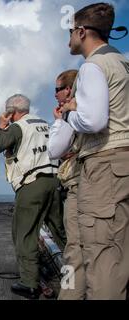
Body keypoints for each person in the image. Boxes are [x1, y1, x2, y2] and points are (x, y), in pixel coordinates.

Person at [62, 2, 129, 299]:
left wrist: (70, 112)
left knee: (98, 253)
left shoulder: (92, 66)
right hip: (121, 163)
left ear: (82, 31)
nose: (69, 39)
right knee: (118, 252)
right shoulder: (121, 61)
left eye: (71, 32)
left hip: (103, 163)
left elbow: (94, 121)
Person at [0, 94, 66, 299]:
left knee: (24, 234)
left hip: (32, 185)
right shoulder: (45, 124)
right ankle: (76, 275)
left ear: (11, 112)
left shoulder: (18, 127)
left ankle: (30, 283)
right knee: (61, 232)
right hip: (54, 181)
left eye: (8, 112)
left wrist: (0, 126)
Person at [48, 70, 86, 300]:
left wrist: (59, 121)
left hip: (80, 185)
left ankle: (69, 294)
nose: (55, 95)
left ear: (69, 89)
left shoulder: (72, 112)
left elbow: (54, 150)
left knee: (74, 250)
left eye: (57, 89)